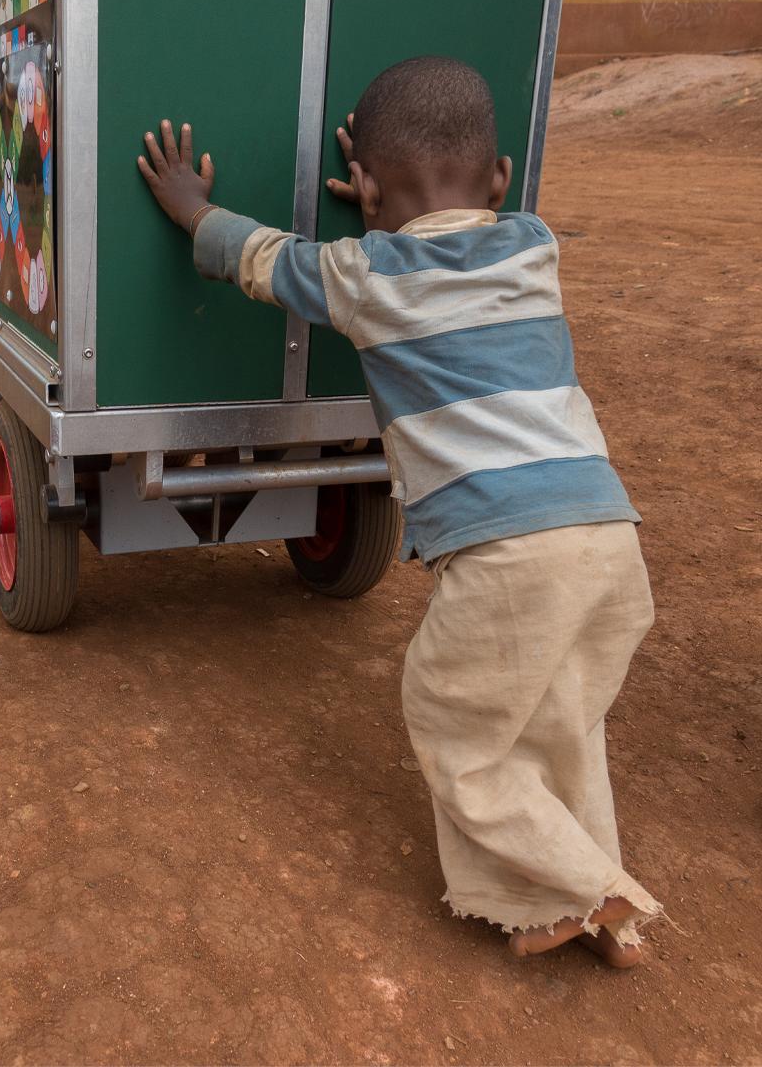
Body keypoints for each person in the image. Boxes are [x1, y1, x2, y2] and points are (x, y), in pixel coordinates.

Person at [136, 56, 662, 968]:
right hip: (608, 536)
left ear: (368, 191)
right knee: (560, 720)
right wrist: (389, 194)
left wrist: (193, 210)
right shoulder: (533, 243)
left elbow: (257, 259)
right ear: (499, 180)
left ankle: (588, 891)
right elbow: (451, 223)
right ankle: (590, 903)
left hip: (507, 552)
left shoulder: (366, 272)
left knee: (455, 722)